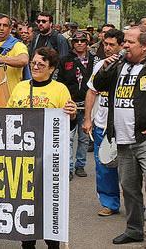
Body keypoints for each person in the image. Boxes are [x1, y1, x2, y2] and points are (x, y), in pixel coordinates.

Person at [0, 46, 76, 249]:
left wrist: (72, 113)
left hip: (50, 159)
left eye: (41, 64)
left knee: (49, 205)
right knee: (26, 206)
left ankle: (53, 244)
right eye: (33, 63)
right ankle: (28, 244)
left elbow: (69, 124)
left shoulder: (59, 89)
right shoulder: (21, 87)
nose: (35, 66)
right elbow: (9, 117)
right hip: (23, 158)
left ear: (51, 69)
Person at [92, 26, 146, 248]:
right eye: (125, 42)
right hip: (122, 139)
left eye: (130, 42)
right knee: (129, 187)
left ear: (145, 46)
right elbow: (99, 85)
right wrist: (106, 67)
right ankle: (134, 229)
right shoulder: (118, 65)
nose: (125, 45)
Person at [84, 28, 124, 217]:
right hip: (102, 125)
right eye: (105, 44)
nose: (107, 48)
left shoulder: (129, 66)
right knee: (103, 166)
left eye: (112, 45)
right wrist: (87, 119)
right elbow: (92, 91)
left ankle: (134, 204)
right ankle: (109, 203)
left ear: (121, 45)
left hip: (124, 127)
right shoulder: (99, 65)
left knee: (128, 169)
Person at [57, 31, 96, 180]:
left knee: (84, 138)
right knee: (68, 138)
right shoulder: (64, 60)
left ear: (87, 43)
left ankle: (80, 165)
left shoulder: (95, 59)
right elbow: (59, 81)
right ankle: (69, 167)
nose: (79, 43)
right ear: (72, 43)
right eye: (76, 41)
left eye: (82, 41)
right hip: (69, 104)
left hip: (87, 105)